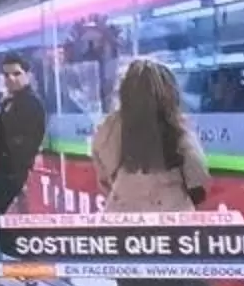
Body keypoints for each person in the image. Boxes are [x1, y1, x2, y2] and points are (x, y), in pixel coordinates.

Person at [90, 57, 210, 213]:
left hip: (122, 217)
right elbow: (198, 179)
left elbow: (103, 177)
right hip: (172, 218)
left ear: (124, 92)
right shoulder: (177, 128)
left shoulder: (108, 127)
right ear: (170, 93)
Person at [0, 53, 49, 234]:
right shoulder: (3, 101)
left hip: (8, 171)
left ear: (28, 75)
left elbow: (23, 142)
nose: (11, 79)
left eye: (16, 73)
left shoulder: (32, 105)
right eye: (6, 75)